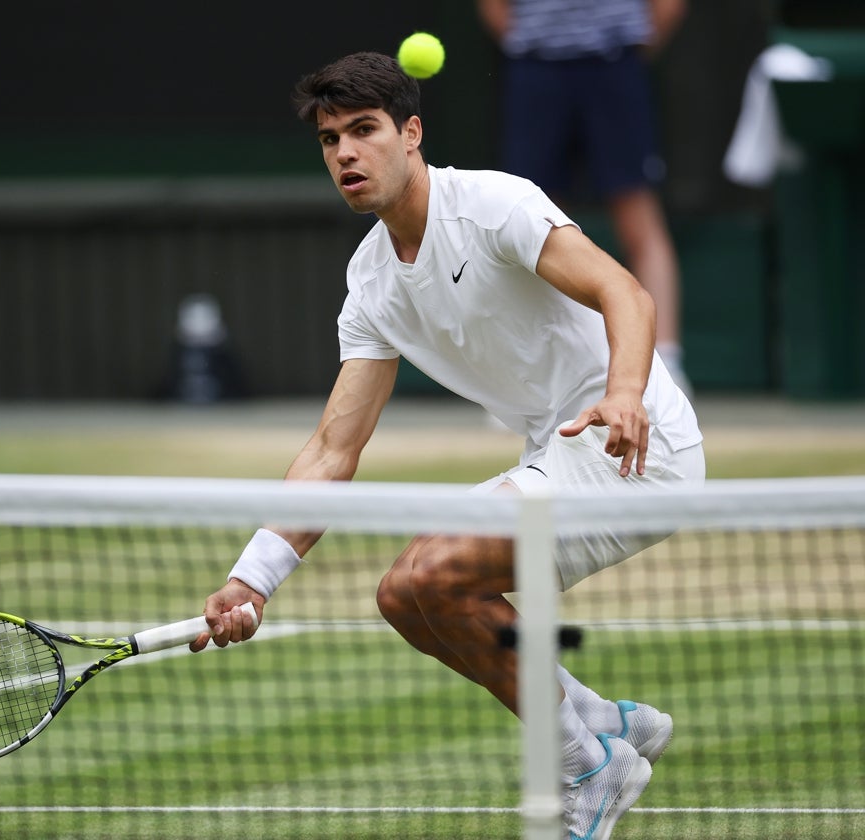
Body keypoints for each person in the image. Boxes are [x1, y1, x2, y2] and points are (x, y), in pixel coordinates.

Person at [188, 52, 704, 840]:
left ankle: (587, 766)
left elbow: (623, 291)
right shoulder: (370, 285)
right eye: (330, 141)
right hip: (555, 451)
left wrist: (626, 393)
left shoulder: (494, 205)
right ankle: (606, 724)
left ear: (412, 134)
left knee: (434, 572)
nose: (346, 155)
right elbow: (333, 449)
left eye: (364, 131)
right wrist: (251, 578)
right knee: (405, 596)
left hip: (635, 446)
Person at [477, 0, 692, 396]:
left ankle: (665, 367)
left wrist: (624, 50)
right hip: (536, 70)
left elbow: (669, 7)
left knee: (639, 219)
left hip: (614, 67)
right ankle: (529, 375)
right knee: (528, 226)